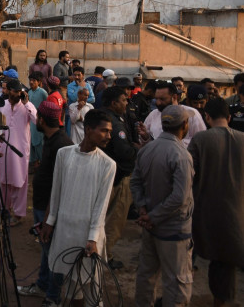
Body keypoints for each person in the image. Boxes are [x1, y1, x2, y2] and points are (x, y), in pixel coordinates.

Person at [41, 109, 116, 305]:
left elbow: (102, 205)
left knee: (92, 289)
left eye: (110, 131)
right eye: (104, 131)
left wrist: (92, 238)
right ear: (88, 129)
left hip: (88, 235)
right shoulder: (64, 154)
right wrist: (50, 221)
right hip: (66, 230)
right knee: (72, 289)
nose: (109, 136)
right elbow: (56, 190)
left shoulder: (107, 164)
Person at [130, 105, 193, 307]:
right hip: (172, 230)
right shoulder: (181, 155)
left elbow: (135, 182)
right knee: (176, 282)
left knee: (147, 275)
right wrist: (152, 216)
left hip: (150, 226)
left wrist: (143, 209)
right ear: (184, 125)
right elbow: (179, 198)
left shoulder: (148, 149)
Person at [188, 98, 244, 307]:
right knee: (225, 265)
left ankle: (178, 298)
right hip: (236, 214)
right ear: (229, 117)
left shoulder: (201, 140)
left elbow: (188, 175)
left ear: (207, 117)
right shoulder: (242, 138)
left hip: (204, 212)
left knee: (186, 258)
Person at [18, 101, 73, 307]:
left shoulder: (62, 144)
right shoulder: (52, 139)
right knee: (46, 250)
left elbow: (62, 185)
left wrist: (51, 216)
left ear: (41, 119)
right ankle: (42, 285)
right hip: (42, 206)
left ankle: (53, 297)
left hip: (51, 209)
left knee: (54, 253)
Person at [100, 86, 138, 270]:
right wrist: (139, 150)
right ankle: (105, 254)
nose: (126, 103)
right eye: (123, 99)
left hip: (108, 174)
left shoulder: (105, 116)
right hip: (119, 176)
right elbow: (124, 151)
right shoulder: (114, 122)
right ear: (114, 103)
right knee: (115, 218)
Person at [0, 79, 37, 226]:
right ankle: (4, 210)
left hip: (19, 151)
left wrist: (27, 104)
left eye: (20, 92)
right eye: (15, 91)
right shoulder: (2, 106)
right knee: (3, 181)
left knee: (20, 182)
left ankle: (18, 214)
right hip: (2, 149)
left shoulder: (26, 107)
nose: (18, 94)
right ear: (8, 91)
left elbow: (37, 120)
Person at [141, 81, 206, 148]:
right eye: (156, 99)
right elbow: (145, 141)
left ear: (174, 97)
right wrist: (145, 137)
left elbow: (201, 141)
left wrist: (170, 144)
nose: (158, 103)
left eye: (162, 99)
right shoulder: (153, 114)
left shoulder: (192, 114)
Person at [28, 72, 49, 169]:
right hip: (30, 121)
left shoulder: (43, 92)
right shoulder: (29, 92)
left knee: (38, 142)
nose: (31, 82)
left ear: (39, 82)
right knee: (31, 141)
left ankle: (42, 163)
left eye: (34, 81)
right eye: (30, 80)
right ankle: (34, 163)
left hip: (39, 121)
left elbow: (47, 105)